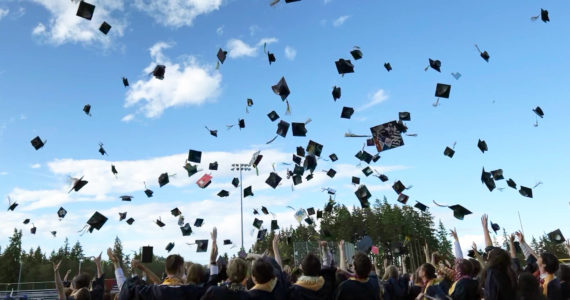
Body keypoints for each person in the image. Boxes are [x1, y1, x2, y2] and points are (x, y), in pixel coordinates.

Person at [120, 228, 219, 300]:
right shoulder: (191, 291)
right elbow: (211, 287)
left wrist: (135, 274)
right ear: (181, 269)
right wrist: (213, 261)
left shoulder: (153, 291)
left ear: (166, 270)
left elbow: (128, 289)